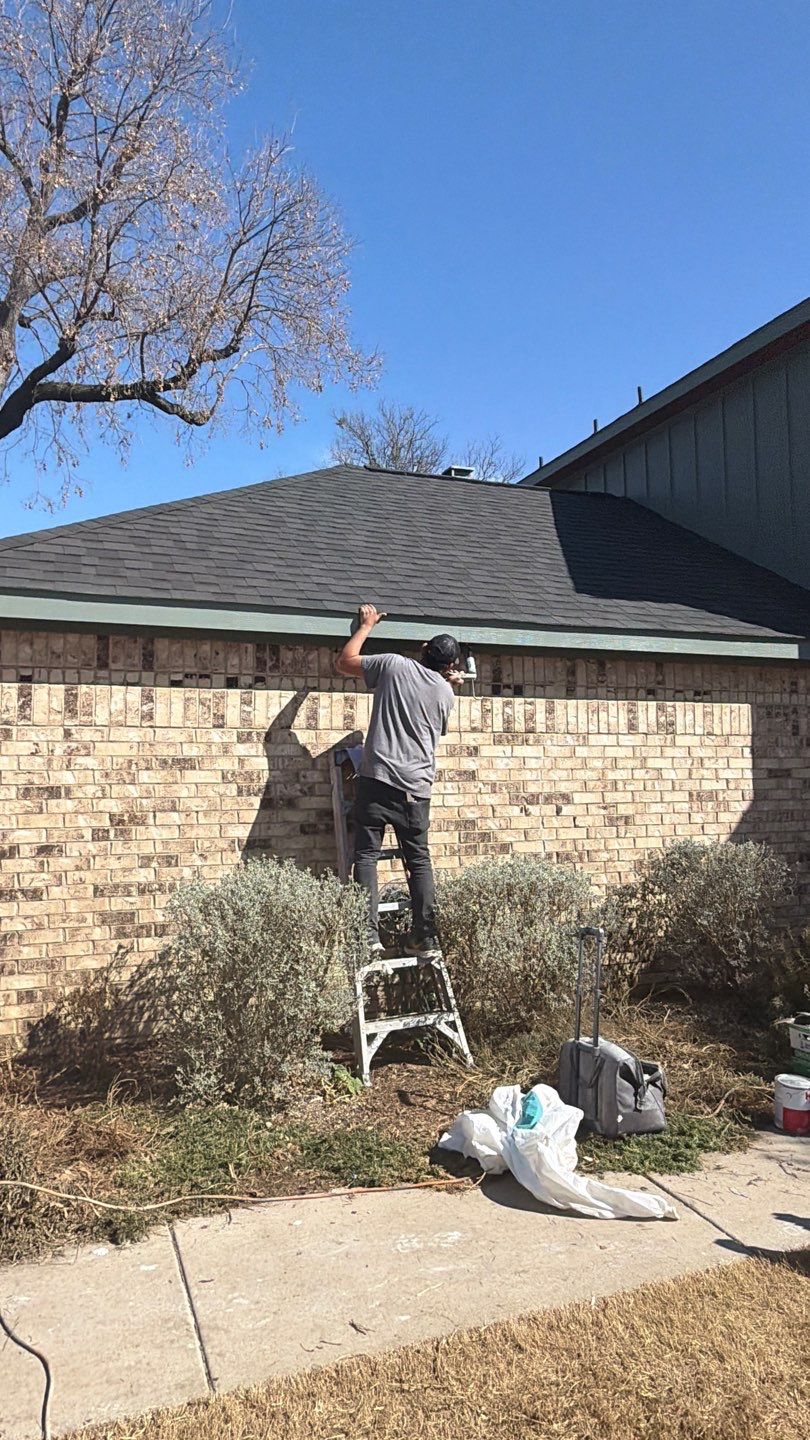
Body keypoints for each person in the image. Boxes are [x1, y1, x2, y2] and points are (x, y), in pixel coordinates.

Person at [335, 604, 464, 956]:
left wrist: (366, 626)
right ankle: (424, 936)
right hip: (415, 789)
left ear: (423, 650)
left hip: (377, 780)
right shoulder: (446, 694)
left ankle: (367, 936)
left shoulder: (393, 664)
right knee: (419, 860)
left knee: (365, 855)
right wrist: (446, 684)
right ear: (451, 665)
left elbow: (345, 662)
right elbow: (436, 727)